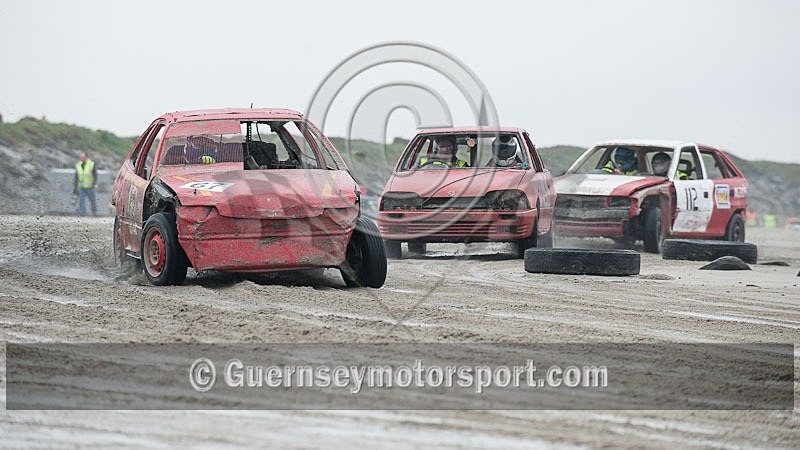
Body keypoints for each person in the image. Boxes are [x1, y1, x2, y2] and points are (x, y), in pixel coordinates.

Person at [73, 151, 98, 215]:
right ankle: (82, 213)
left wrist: (94, 183)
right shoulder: (78, 165)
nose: (82, 158)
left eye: (83, 157)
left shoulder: (91, 164)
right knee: (81, 201)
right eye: (81, 157)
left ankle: (94, 213)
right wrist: (75, 186)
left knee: (93, 201)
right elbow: (76, 177)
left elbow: (95, 175)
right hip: (82, 187)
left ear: (86, 157)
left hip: (90, 187)